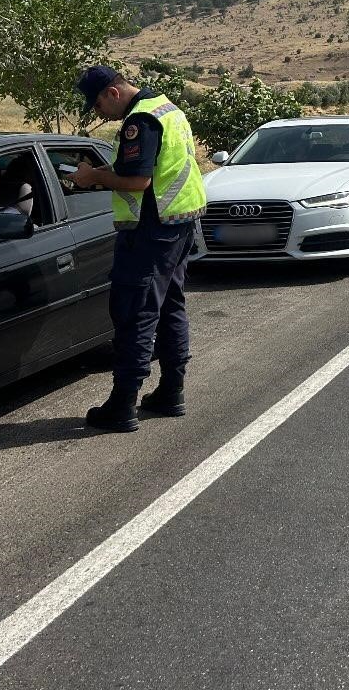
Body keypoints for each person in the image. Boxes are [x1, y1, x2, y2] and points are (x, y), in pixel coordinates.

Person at [71, 66, 207, 432]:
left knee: (137, 313)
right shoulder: (168, 109)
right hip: (179, 224)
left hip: (151, 231)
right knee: (171, 306)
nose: (98, 113)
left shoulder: (140, 121)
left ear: (113, 92)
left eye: (97, 104)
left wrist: (93, 177)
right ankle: (171, 391)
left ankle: (123, 404)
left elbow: (138, 181)